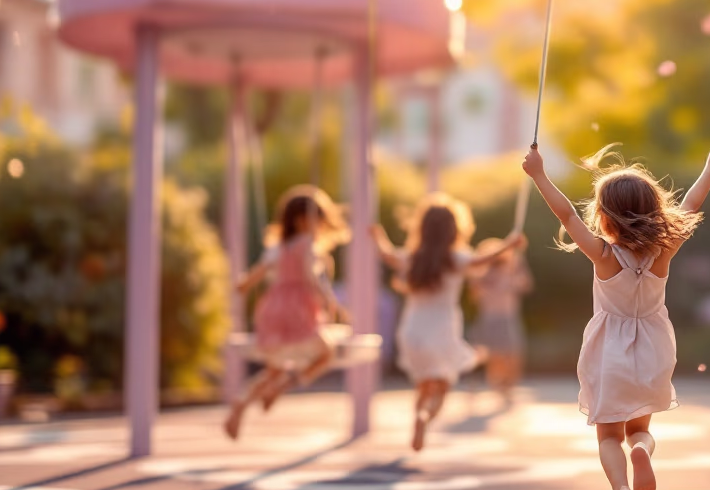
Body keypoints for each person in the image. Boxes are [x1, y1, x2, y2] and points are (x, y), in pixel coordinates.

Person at [522, 143, 710, 490]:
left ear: (603, 215)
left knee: (607, 435)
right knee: (639, 430)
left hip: (609, 352)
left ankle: (620, 489)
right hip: (653, 348)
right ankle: (642, 451)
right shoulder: (664, 249)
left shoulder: (603, 254)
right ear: (654, 210)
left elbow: (565, 213)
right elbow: (691, 203)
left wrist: (539, 175)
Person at [372, 194, 526, 451]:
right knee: (441, 387)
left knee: (423, 385)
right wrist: (508, 245)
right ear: (455, 228)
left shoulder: (414, 257)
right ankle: (424, 418)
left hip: (412, 332)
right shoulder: (456, 257)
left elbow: (388, 255)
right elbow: (480, 261)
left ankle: (420, 415)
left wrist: (377, 236)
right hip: (441, 333)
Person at [225, 185, 349, 439]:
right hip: (297, 310)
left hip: (272, 310)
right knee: (326, 353)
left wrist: (244, 284)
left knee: (274, 368)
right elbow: (310, 277)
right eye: (319, 221)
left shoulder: (277, 248)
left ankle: (242, 401)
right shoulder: (307, 244)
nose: (321, 227)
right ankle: (284, 386)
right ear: (304, 221)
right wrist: (330, 301)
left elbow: (256, 274)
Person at [469, 238, 533, 401]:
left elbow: (525, 285)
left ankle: (508, 384)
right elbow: (475, 294)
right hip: (490, 317)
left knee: (513, 352)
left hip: (508, 316)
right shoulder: (481, 273)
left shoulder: (511, 270)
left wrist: (518, 260)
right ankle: (497, 383)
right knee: (493, 354)